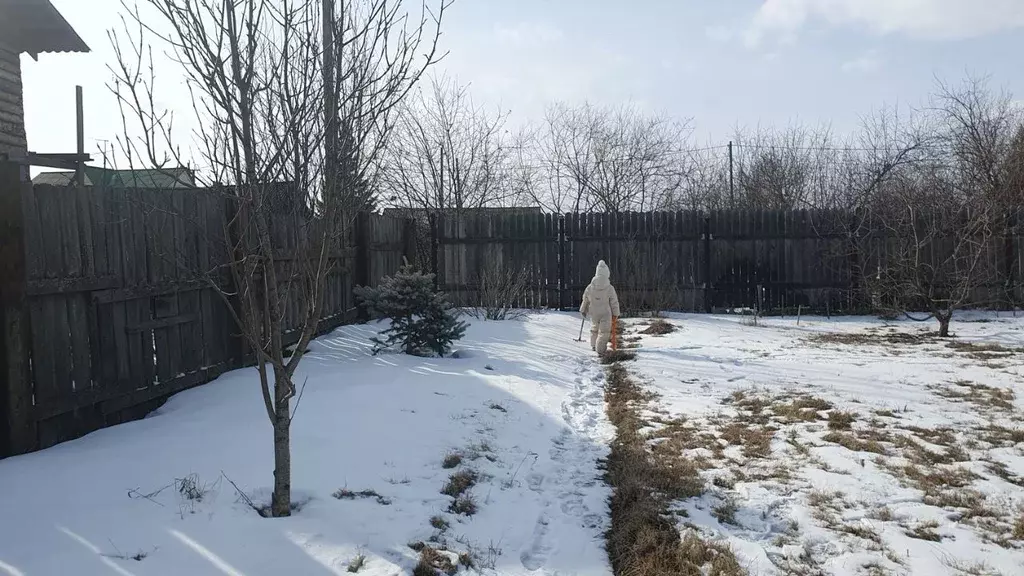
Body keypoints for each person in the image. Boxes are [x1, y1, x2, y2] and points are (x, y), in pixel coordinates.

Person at [579, 260, 621, 355]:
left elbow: (585, 299)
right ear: (607, 274)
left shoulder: (590, 287)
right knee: (604, 331)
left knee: (594, 328)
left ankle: (593, 345)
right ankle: (600, 349)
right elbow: (614, 301)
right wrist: (616, 313)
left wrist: (583, 309)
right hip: (605, 313)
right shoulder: (610, 288)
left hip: (593, 312)